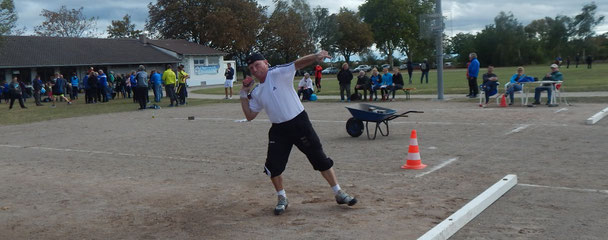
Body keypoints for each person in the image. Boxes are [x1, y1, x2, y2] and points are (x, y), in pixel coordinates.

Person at [239, 51, 357, 216]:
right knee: (274, 166)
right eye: (251, 67)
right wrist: (243, 94)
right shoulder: (257, 91)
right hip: (279, 130)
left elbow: (297, 63)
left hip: (299, 123)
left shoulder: (278, 73)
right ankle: (282, 198)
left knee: (320, 158)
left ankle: (338, 193)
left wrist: (315, 57)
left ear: (266, 62)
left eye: (257, 65)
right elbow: (249, 116)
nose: (254, 69)